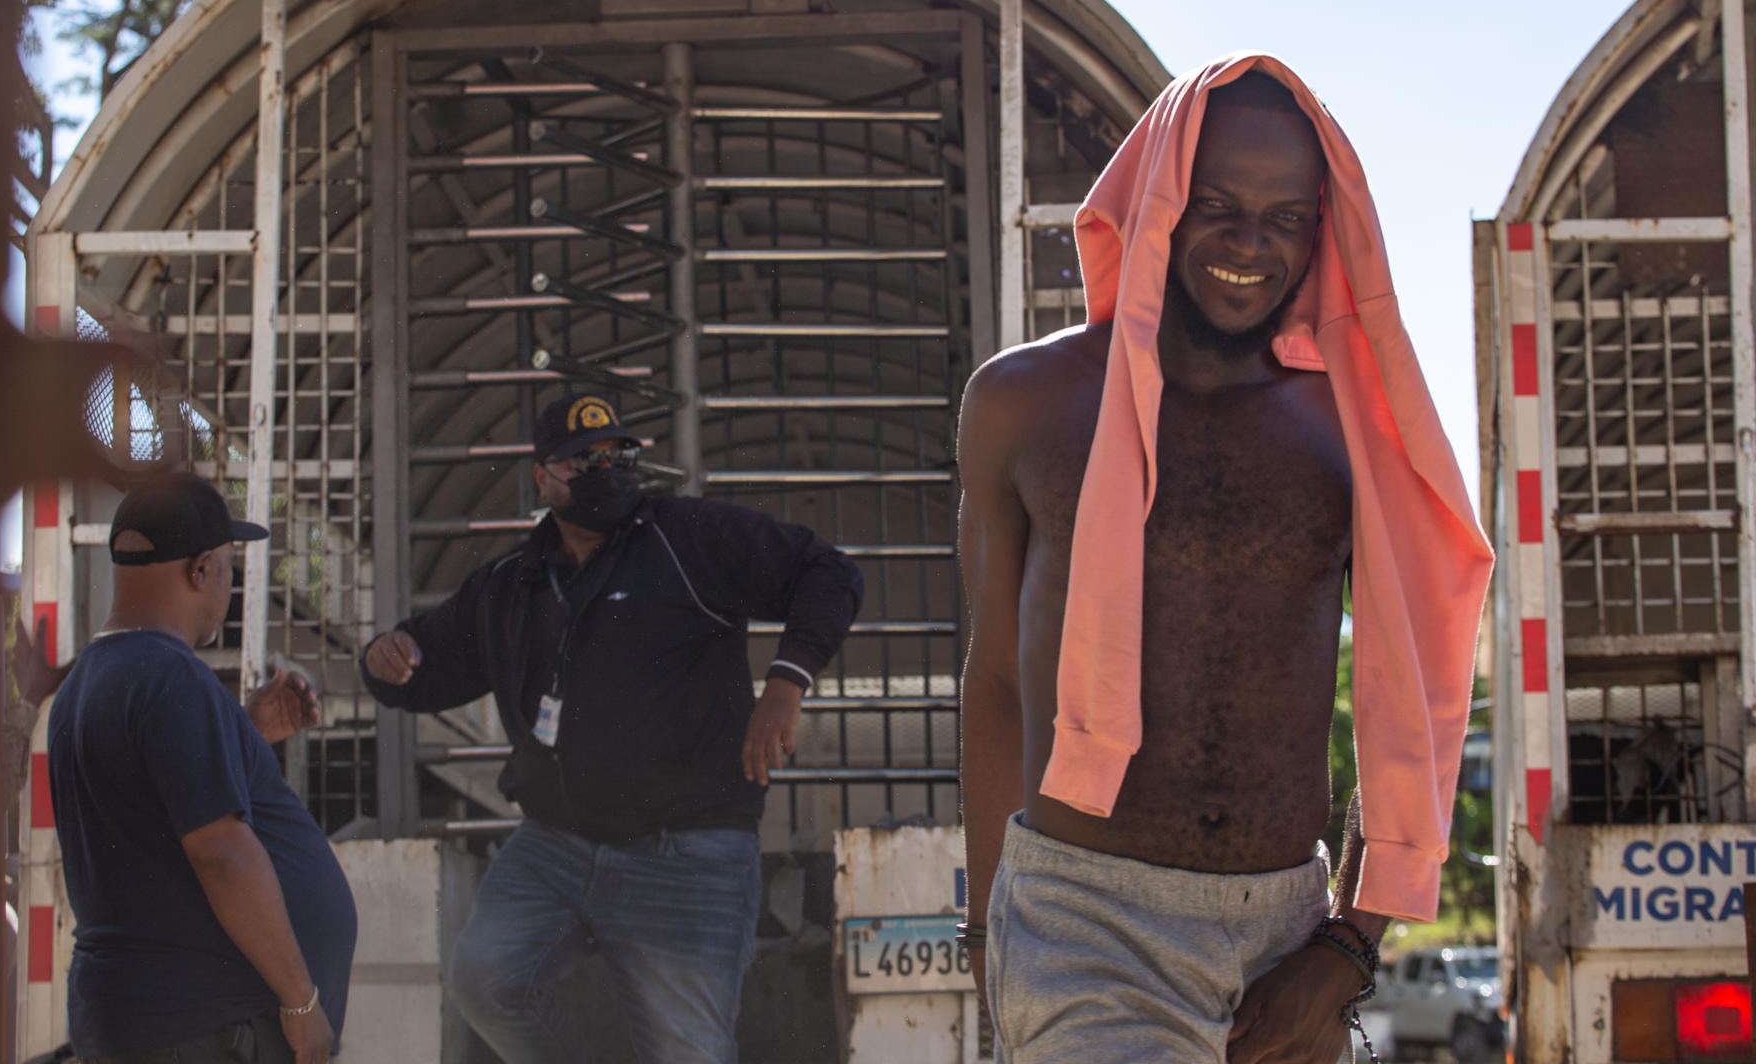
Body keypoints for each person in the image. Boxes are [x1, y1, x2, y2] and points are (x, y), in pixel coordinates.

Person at [957, 55, 1494, 1063]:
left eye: (1288, 216)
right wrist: (989, 935)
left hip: (1289, 933)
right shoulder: (1022, 405)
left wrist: (1346, 945)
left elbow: (1411, 706)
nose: (1252, 245)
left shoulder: (1345, 431)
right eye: (1217, 205)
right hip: (1086, 921)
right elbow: (994, 682)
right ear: (1160, 202)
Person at [362, 392, 864, 1064]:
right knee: (483, 980)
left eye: (618, 454)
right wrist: (382, 660)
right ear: (542, 477)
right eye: (584, 460)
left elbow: (827, 571)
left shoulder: (687, 537)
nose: (607, 469)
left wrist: (786, 680)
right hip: (556, 846)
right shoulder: (511, 583)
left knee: (691, 1054)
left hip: (688, 853)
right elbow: (428, 663)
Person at [47, 471, 356, 1064]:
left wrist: (244, 734)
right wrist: (300, 1001)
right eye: (229, 566)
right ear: (200, 570)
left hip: (150, 1022)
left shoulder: (90, 681)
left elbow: (147, 803)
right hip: (204, 1030)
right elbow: (221, 852)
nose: (229, 583)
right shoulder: (171, 677)